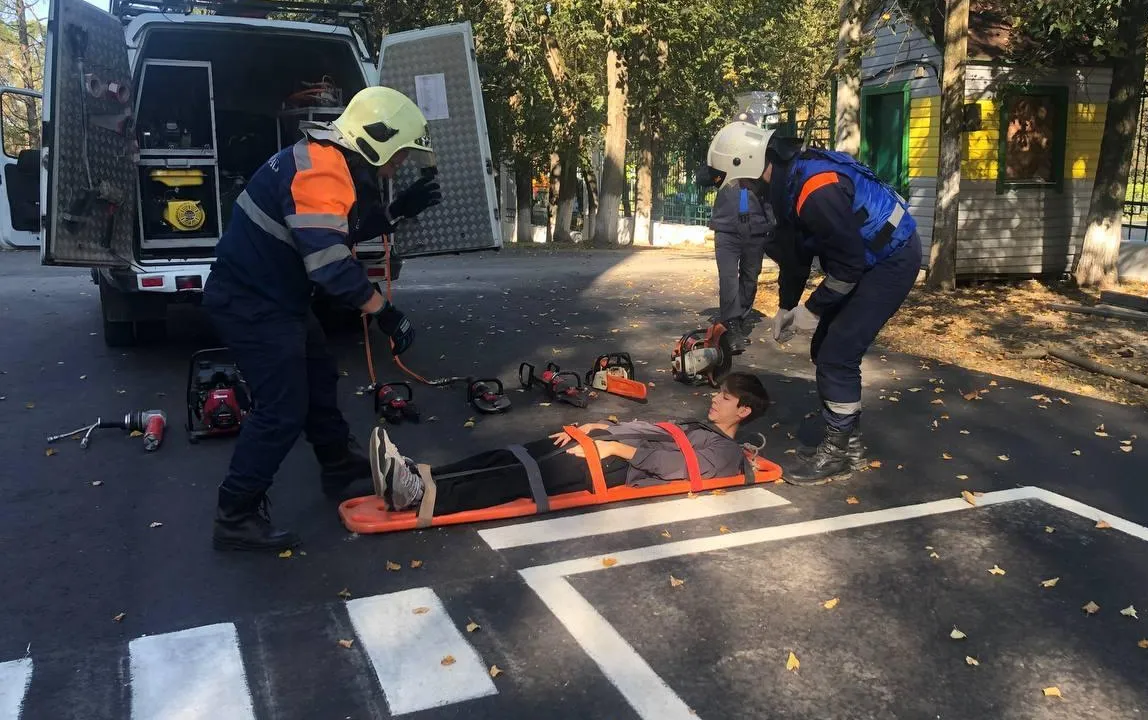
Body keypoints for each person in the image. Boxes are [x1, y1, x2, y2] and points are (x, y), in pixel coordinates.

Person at [202, 86, 443, 551]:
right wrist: (385, 313)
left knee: (318, 378)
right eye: (397, 157)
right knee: (281, 409)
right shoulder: (321, 172)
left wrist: (395, 211)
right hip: (252, 304)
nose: (396, 168)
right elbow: (330, 263)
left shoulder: (326, 163)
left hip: (276, 299)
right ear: (376, 141)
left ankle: (340, 470)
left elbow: (334, 228)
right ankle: (235, 514)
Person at [704, 121, 922, 484]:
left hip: (890, 260)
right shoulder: (787, 180)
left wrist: (813, 309)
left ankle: (838, 452)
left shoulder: (815, 189)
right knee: (825, 348)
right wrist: (787, 305)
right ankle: (848, 445)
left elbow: (849, 267)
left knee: (838, 353)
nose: (739, 186)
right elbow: (797, 256)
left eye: (736, 178)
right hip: (866, 258)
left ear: (748, 163)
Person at [370, 373, 770, 517]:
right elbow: (653, 429)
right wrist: (601, 427)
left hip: (614, 466)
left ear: (744, 412)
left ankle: (419, 495)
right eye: (718, 392)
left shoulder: (726, 452)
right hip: (601, 445)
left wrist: (614, 450)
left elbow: (680, 469)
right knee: (511, 455)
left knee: (517, 478)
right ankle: (421, 474)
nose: (715, 399)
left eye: (726, 398)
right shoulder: (701, 426)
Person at [704, 165, 776, 353]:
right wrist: (718, 174)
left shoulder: (763, 162)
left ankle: (740, 316)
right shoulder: (725, 161)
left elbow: (774, 184)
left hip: (756, 228)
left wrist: (758, 176)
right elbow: (702, 179)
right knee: (728, 277)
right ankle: (731, 324)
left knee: (750, 277)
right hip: (726, 229)